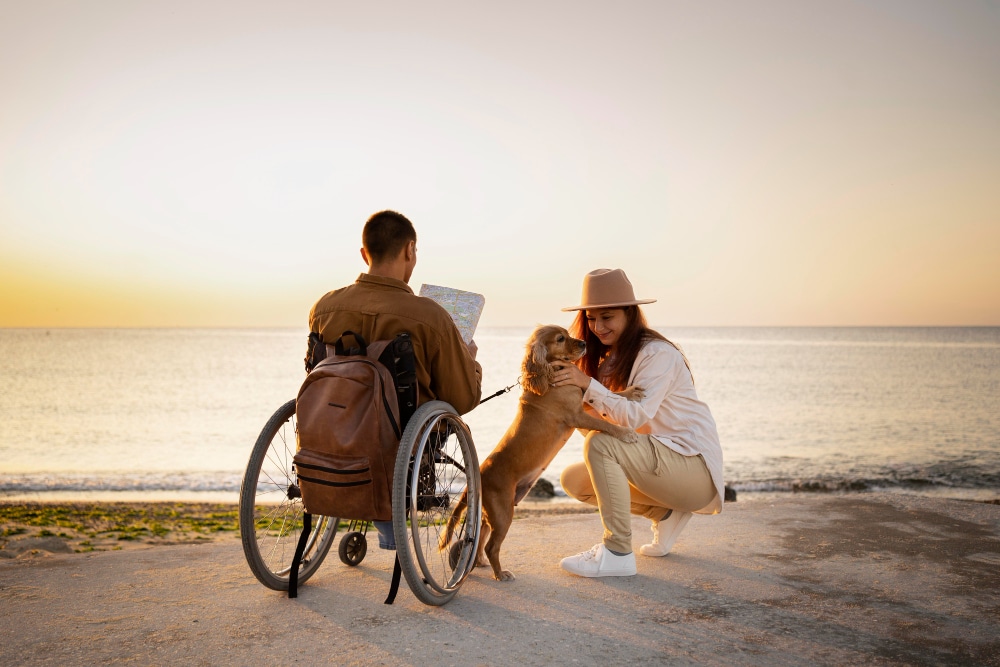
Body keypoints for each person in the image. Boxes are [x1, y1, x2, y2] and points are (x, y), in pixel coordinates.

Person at [308, 209, 482, 548]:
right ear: (410, 250)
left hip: (331, 424)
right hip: (401, 437)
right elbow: (461, 399)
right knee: (441, 414)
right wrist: (470, 362)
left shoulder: (324, 307)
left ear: (364, 253)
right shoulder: (429, 315)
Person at [550, 268, 724, 577]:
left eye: (607, 317)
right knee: (574, 480)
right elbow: (596, 423)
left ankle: (617, 553)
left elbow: (633, 416)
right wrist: (564, 394)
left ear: (630, 314)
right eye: (591, 318)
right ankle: (666, 513)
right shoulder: (611, 361)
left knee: (601, 444)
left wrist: (587, 385)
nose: (597, 327)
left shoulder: (656, 353)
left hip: (693, 468)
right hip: (664, 467)